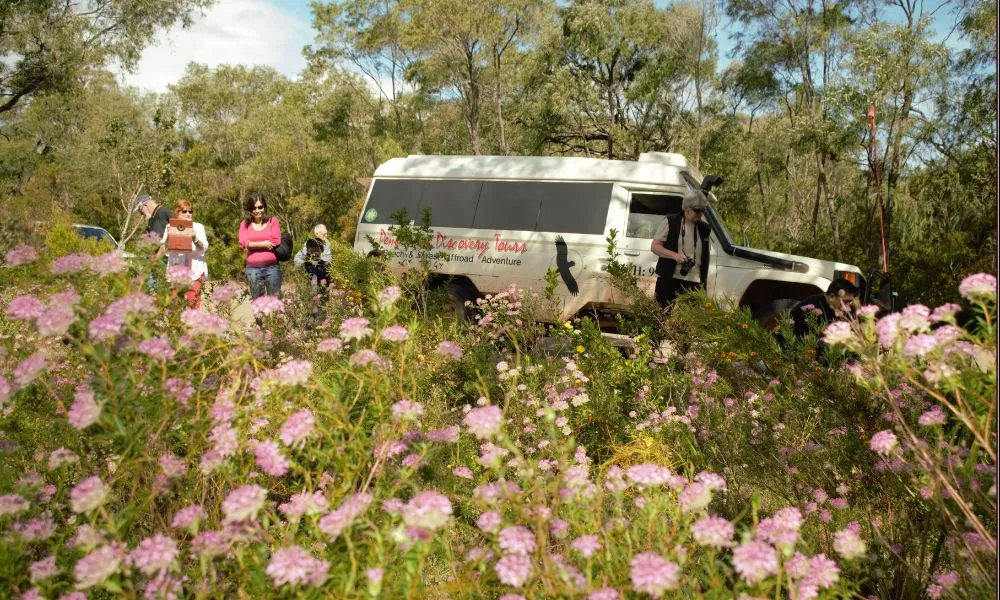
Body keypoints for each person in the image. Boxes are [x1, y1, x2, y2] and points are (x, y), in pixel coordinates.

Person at [650, 189, 712, 309]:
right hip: (669, 278)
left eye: (703, 210)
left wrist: (703, 283)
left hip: (694, 280)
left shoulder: (705, 228)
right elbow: (655, 247)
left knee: (690, 321)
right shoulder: (670, 221)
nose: (700, 214)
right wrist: (675, 256)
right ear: (686, 208)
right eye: (697, 210)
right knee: (661, 314)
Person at [785, 278, 860, 362]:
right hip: (796, 345)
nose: (847, 305)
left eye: (849, 302)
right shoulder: (814, 304)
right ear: (832, 296)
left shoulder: (836, 306)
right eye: (845, 301)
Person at [156, 200, 209, 309]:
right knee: (175, 308)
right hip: (177, 275)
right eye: (184, 211)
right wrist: (170, 237)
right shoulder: (170, 227)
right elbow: (165, 249)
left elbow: (204, 247)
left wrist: (194, 238)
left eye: (190, 211)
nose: (188, 214)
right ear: (177, 213)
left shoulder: (198, 227)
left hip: (195, 273)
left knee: (193, 306)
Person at [238, 196, 282, 299]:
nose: (257, 210)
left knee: (275, 303)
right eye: (254, 208)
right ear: (250, 209)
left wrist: (251, 244)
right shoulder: (245, 224)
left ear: (265, 207)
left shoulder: (273, 221)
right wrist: (264, 244)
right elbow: (242, 243)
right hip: (253, 270)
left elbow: (276, 241)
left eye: (260, 207)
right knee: (258, 304)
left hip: (272, 269)